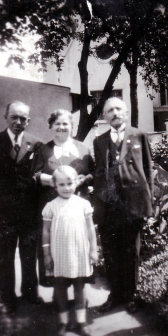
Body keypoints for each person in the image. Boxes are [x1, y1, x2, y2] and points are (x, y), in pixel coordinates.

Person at [93, 97, 153, 314]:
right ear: (105, 116)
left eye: (118, 109)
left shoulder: (139, 135)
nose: (115, 113)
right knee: (110, 251)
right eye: (110, 110)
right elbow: (99, 173)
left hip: (132, 205)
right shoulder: (99, 141)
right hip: (108, 206)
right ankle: (115, 295)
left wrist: (148, 204)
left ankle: (131, 295)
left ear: (126, 113)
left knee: (131, 252)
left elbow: (147, 170)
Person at [32, 109, 94, 286]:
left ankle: (79, 292)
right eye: (57, 124)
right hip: (52, 209)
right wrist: (51, 180)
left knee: (77, 246)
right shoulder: (43, 150)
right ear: (51, 126)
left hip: (77, 207)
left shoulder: (83, 149)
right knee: (54, 248)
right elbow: (34, 175)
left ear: (72, 127)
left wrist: (84, 179)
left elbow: (93, 173)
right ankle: (58, 296)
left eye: (65, 123)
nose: (61, 127)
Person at [42, 166, 97, 336]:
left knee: (79, 287)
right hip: (59, 254)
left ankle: (81, 321)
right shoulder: (51, 206)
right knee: (60, 288)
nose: (66, 188)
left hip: (79, 253)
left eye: (70, 183)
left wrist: (93, 250)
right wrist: (46, 254)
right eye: (61, 184)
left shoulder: (83, 204)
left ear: (76, 183)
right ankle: (63, 322)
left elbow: (90, 229)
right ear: (54, 185)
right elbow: (45, 231)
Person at [0, 101, 43, 313]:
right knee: (5, 256)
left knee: (29, 254)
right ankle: (7, 297)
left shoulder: (36, 144)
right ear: (6, 117)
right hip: (3, 213)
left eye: (23, 118)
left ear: (29, 120)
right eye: (14, 117)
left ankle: (30, 292)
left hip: (28, 210)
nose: (18, 122)